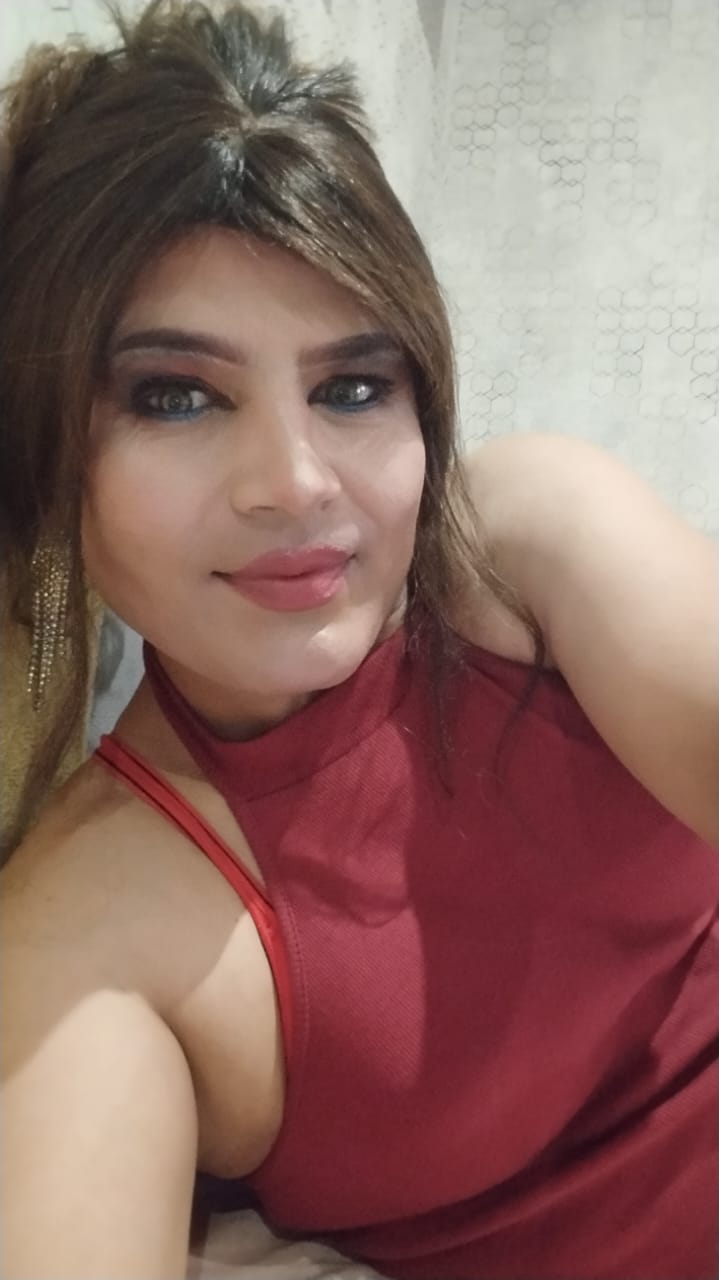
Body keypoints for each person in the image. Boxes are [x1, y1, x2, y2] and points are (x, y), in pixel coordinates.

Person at [1, 2, 717, 1277]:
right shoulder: (92, 934)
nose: (294, 479)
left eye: (351, 386)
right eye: (176, 395)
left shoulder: (526, 545)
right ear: (49, 449)